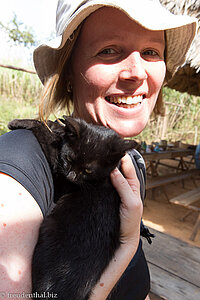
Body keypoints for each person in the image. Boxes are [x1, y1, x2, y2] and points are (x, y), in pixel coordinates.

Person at [0, 0, 197, 299]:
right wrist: (128, 245)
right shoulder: (19, 165)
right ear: (68, 72)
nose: (136, 72)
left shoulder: (128, 163)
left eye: (150, 52)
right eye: (108, 50)